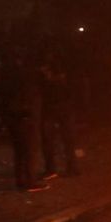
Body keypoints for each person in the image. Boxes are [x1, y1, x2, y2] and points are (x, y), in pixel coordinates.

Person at [0, 32, 49, 191]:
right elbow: (28, 93)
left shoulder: (4, 71)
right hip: (24, 115)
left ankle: (21, 180)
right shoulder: (23, 73)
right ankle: (30, 181)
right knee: (29, 149)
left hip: (13, 115)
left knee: (19, 150)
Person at [39, 37, 80, 177]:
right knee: (61, 138)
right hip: (57, 105)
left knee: (57, 138)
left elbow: (63, 82)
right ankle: (65, 167)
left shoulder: (57, 65)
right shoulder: (59, 63)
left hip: (57, 105)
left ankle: (64, 167)